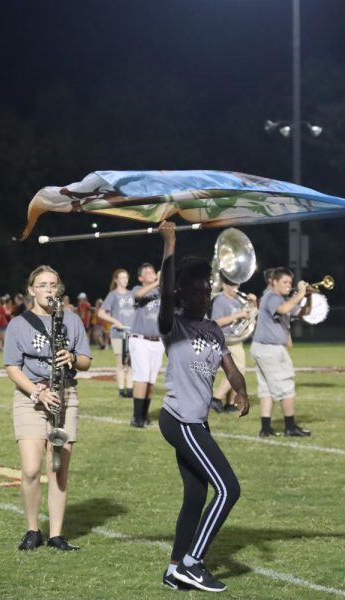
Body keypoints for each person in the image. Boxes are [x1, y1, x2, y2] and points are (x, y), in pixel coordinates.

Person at [155, 222, 248, 592]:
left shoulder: (212, 329)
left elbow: (230, 366)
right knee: (229, 489)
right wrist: (170, 244)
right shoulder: (172, 324)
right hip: (179, 420)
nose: (205, 295)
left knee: (196, 495)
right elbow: (164, 291)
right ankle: (193, 563)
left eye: (207, 288)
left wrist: (242, 391)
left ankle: (175, 567)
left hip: (199, 423)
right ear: (182, 293)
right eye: (197, 290)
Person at [3, 265, 92, 551]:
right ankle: (32, 529)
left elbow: (87, 362)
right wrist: (36, 391)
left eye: (53, 285)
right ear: (31, 290)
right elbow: (12, 368)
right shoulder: (18, 324)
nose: (48, 290)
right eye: (42, 285)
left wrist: (73, 357)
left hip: (65, 394)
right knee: (30, 469)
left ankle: (56, 534)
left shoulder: (72, 320)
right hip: (31, 397)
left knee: (58, 469)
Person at [250, 267, 312, 437]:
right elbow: (283, 310)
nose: (288, 285)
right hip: (270, 349)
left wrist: (309, 295)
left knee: (267, 389)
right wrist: (299, 294)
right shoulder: (271, 296)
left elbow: (304, 312)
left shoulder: (280, 299)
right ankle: (290, 427)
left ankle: (265, 428)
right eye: (284, 282)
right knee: (286, 387)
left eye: (290, 283)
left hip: (262, 348)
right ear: (274, 282)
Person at [210, 274, 256, 413]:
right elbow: (216, 322)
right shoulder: (220, 300)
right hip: (226, 339)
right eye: (231, 284)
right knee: (239, 371)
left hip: (236, 338)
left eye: (237, 284)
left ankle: (230, 404)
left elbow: (251, 314)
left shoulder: (239, 301)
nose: (235, 287)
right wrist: (238, 315)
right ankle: (216, 398)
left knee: (232, 371)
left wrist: (254, 303)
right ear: (224, 285)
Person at [128, 262, 165, 427]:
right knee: (141, 377)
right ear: (141, 278)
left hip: (158, 341)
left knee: (151, 380)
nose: (151, 274)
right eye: (147, 273)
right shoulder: (137, 289)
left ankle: (144, 415)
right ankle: (137, 417)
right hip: (140, 340)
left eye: (153, 272)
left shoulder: (160, 292)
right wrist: (157, 281)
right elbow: (138, 296)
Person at [98, 268, 135, 398]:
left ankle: (130, 389)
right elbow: (101, 313)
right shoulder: (113, 295)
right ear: (116, 280)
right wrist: (114, 321)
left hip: (132, 333)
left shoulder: (132, 294)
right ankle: (121, 389)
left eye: (126, 277)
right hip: (119, 333)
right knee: (121, 362)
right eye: (122, 278)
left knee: (131, 362)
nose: (125, 280)